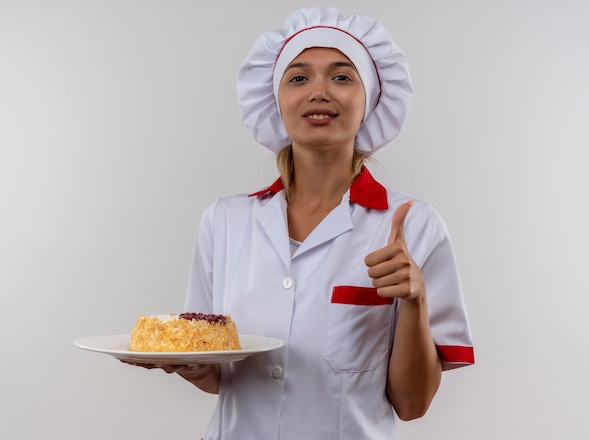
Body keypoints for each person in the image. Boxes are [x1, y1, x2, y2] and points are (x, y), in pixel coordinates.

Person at [134, 6, 474, 439]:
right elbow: (221, 376)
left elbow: (412, 405)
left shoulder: (415, 226)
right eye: (298, 78)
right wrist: (191, 365)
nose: (318, 92)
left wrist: (414, 300)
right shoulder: (224, 221)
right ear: (275, 100)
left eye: (342, 76)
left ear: (369, 100)